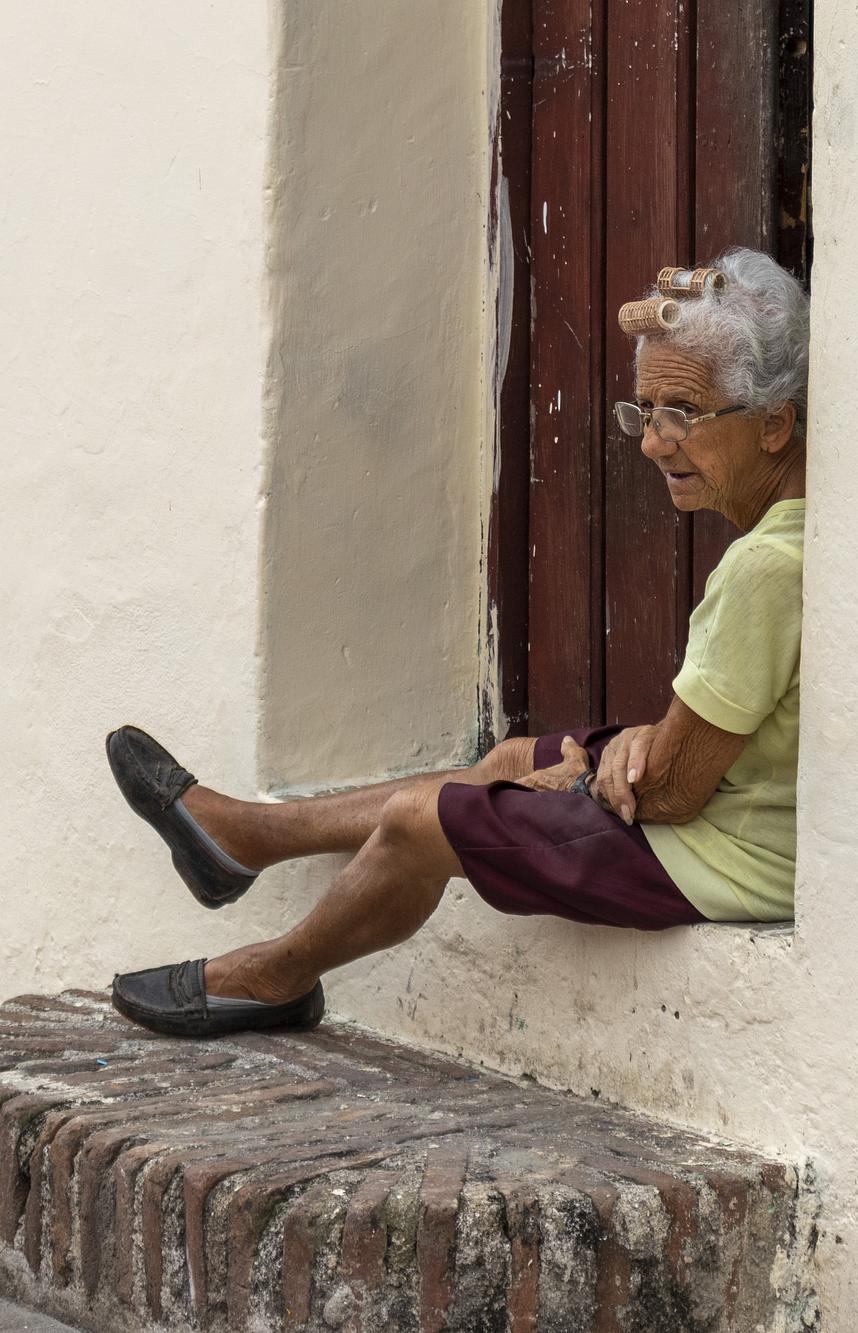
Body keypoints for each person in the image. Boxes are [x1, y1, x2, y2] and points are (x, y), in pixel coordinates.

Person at [108, 246, 808, 1038]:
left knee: (421, 820)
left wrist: (582, 785)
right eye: (644, 412)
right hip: (729, 822)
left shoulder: (765, 566)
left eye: (682, 413)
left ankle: (274, 976)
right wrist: (626, 750)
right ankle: (242, 837)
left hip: (718, 861)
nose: (653, 442)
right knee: (508, 761)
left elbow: (674, 791)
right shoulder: (805, 533)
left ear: (774, 423)